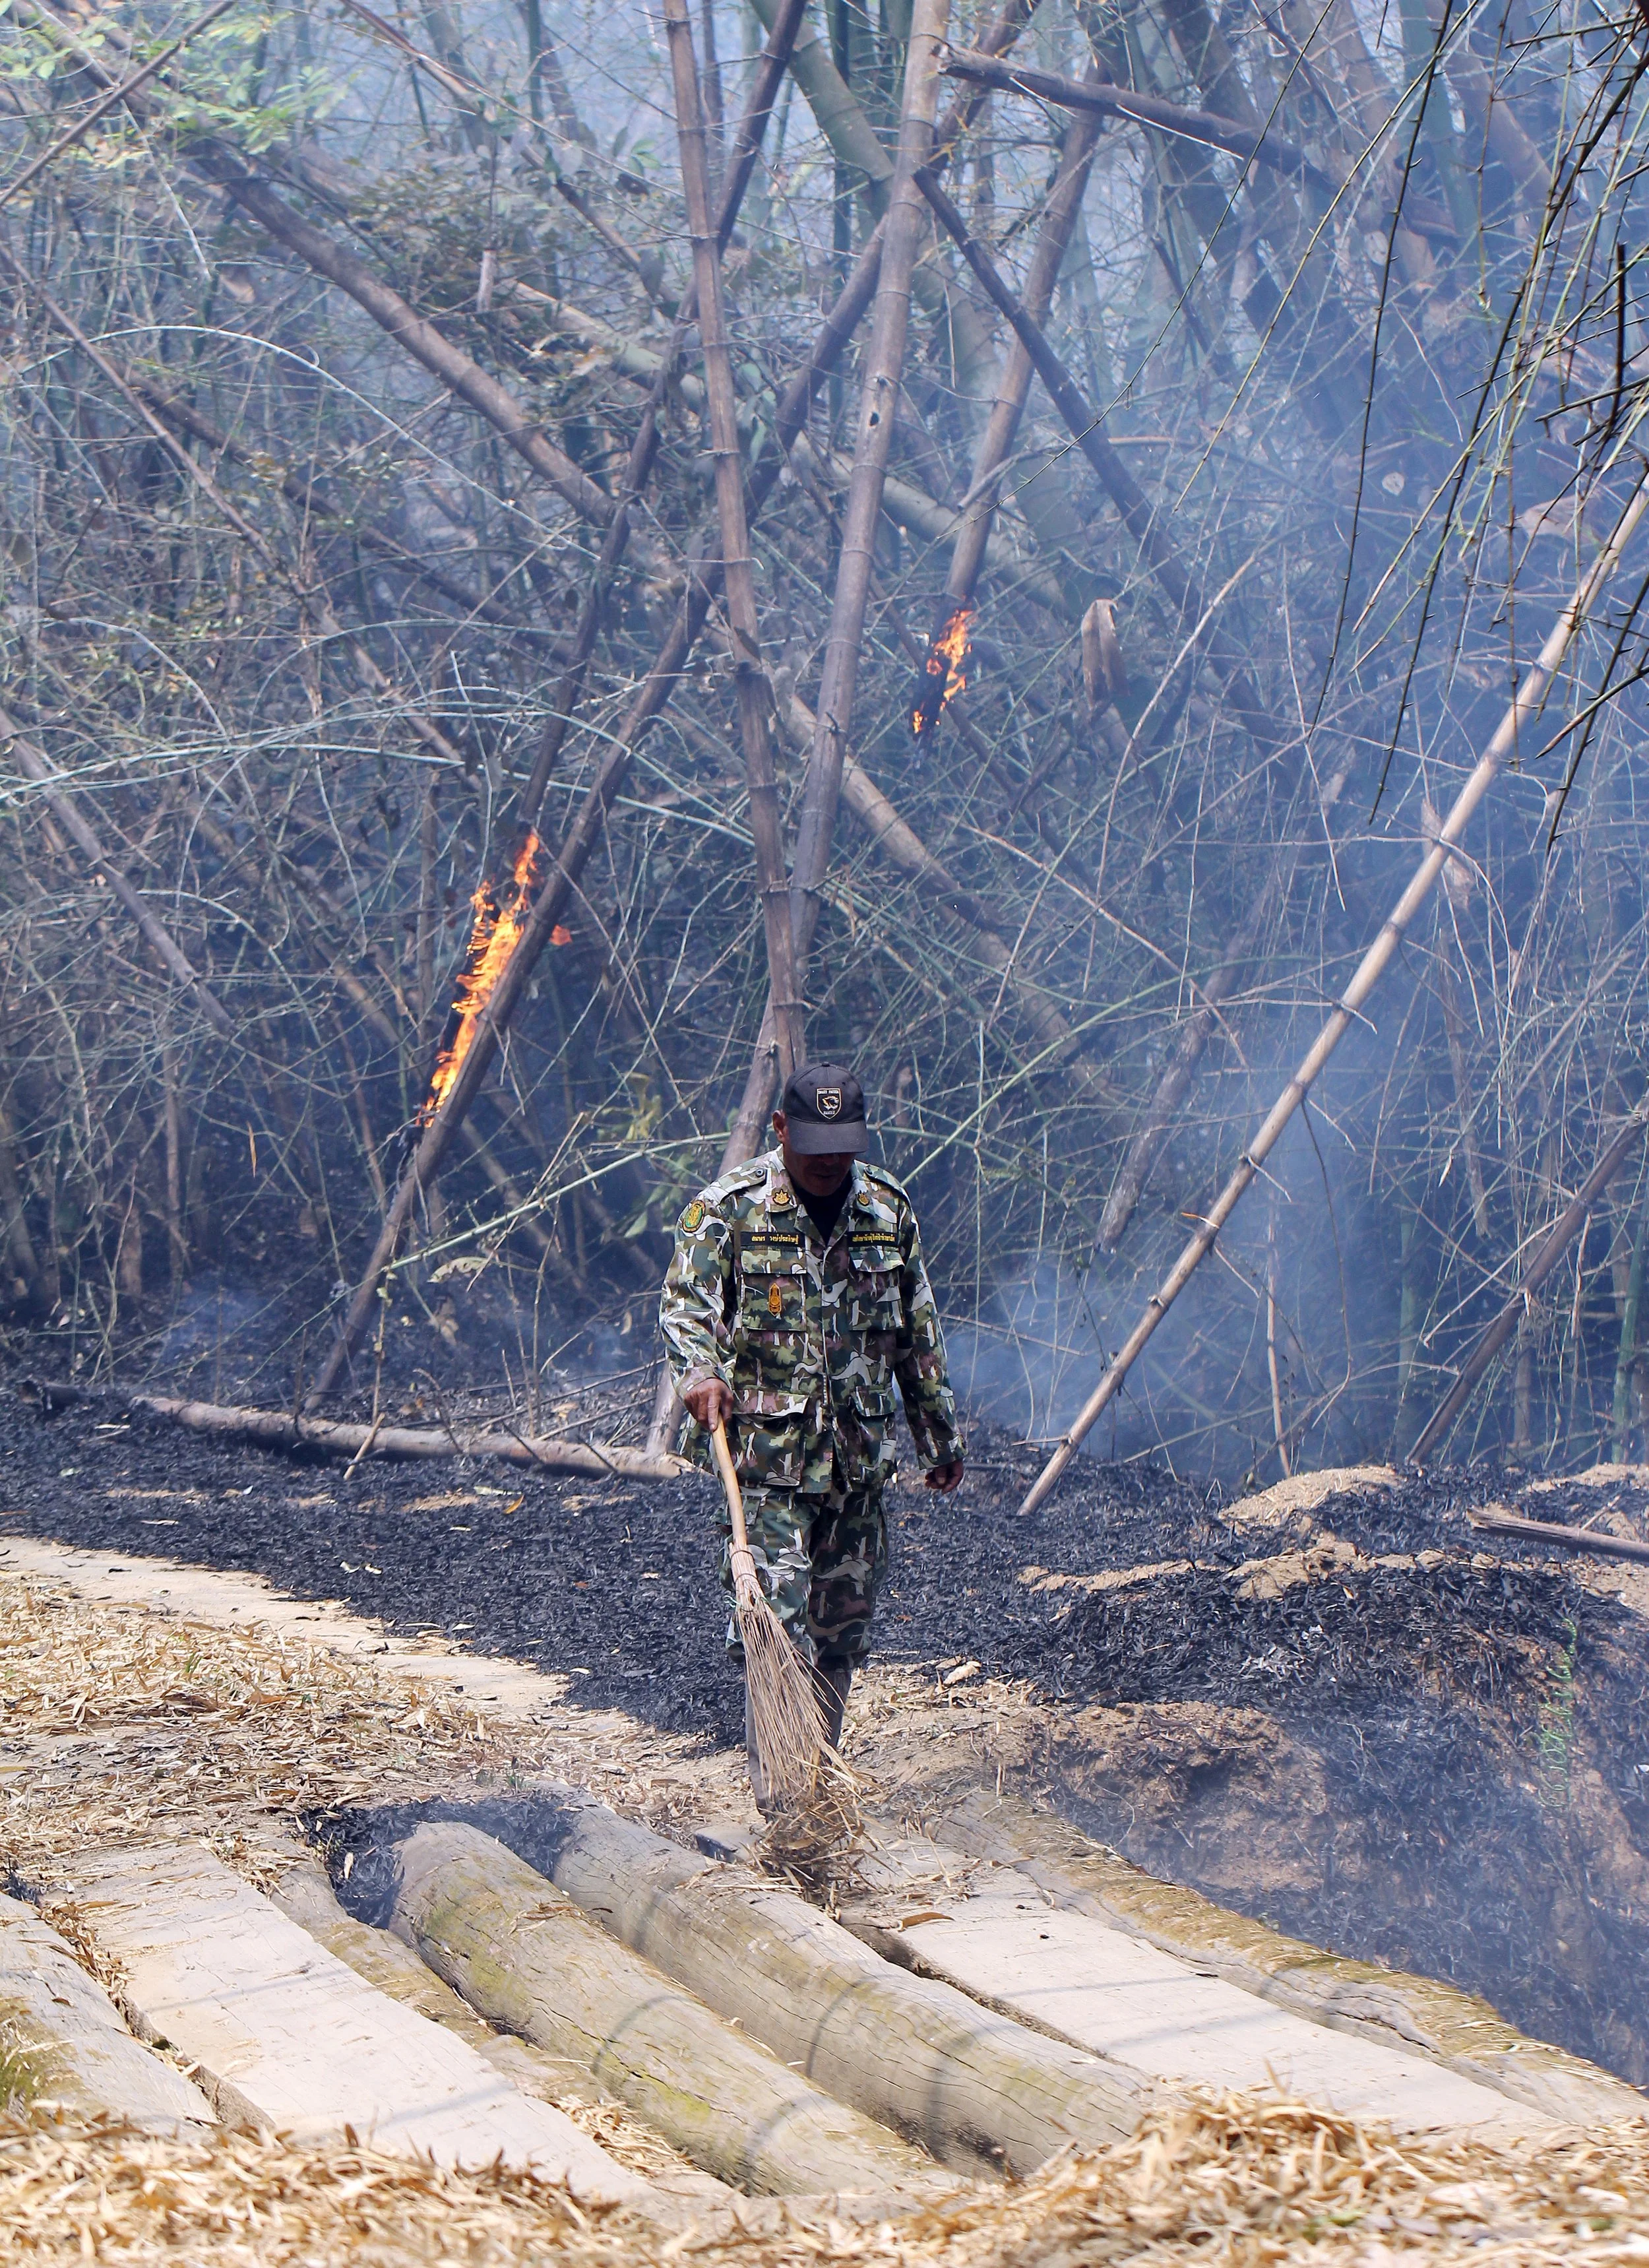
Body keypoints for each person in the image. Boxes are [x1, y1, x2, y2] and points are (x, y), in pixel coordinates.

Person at [659, 1061, 964, 1806]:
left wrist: (937, 1435)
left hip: (857, 1464)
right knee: (773, 1623)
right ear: (781, 1130)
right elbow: (685, 1307)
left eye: (844, 1145)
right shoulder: (728, 1210)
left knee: (842, 1626)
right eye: (816, 1143)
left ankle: (818, 1779)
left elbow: (914, 1331)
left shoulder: (887, 1213)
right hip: (766, 1464)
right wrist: (700, 1374)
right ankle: (779, 1800)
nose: (831, 1161)